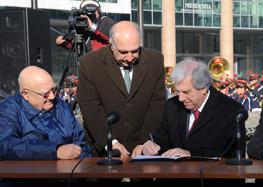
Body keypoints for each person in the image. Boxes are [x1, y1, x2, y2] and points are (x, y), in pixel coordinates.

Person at [78, 21, 166, 158]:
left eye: (135, 51)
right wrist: (110, 142)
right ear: (111, 46)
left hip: (143, 149)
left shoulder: (155, 60)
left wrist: (145, 141)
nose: (130, 57)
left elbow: (157, 105)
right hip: (104, 150)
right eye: (124, 52)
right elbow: (90, 108)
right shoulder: (89, 64)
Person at [142, 58, 246, 158]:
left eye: (186, 92)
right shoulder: (172, 106)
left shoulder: (231, 111)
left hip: (211, 174)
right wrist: (150, 145)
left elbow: (234, 154)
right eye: (178, 92)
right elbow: (161, 141)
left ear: (204, 88)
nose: (181, 98)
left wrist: (191, 154)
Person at [0, 66, 90, 160]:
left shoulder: (60, 106)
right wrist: (55, 151)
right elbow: (5, 145)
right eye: (45, 94)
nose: (52, 96)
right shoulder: (8, 110)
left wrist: (84, 164)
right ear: (25, 94)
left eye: (54, 90)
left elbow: (80, 143)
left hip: (69, 171)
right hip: (31, 173)